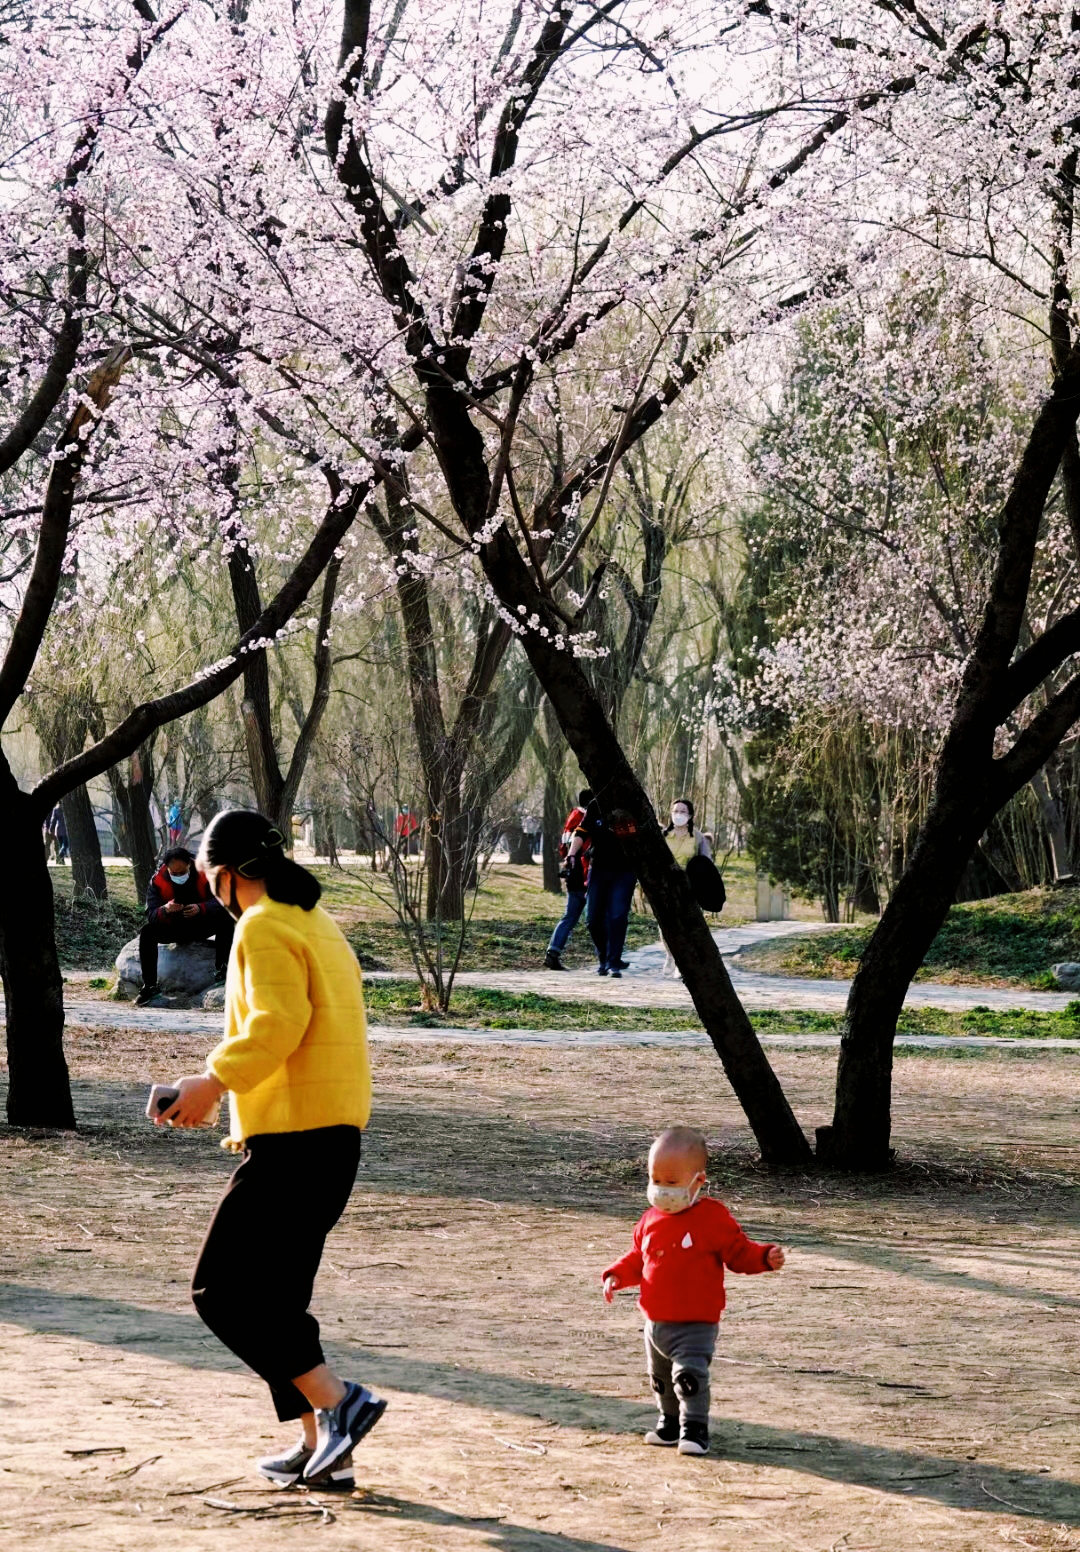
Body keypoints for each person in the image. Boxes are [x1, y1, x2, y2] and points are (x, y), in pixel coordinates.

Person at [154, 808, 384, 1491]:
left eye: (205, 877)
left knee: (219, 1290)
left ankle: (342, 1407)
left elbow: (278, 1023)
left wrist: (213, 1081)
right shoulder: (315, 923)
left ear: (223, 875)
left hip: (296, 1144)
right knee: (278, 1300)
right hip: (331, 1139)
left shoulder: (263, 925)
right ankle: (322, 1448)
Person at [601, 1126, 785, 1456]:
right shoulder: (649, 1220)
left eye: (671, 1183)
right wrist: (616, 1275)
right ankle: (669, 1422)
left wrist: (763, 1257)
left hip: (695, 1323)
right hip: (655, 1322)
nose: (661, 1190)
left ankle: (695, 1428)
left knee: (689, 1377)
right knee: (660, 1378)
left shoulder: (712, 1218)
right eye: (655, 1180)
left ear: (697, 1182)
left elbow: (738, 1252)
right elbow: (637, 1258)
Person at [137, 847, 235, 1006]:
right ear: (166, 868)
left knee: (227, 919)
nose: (178, 876)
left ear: (190, 864)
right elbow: (151, 914)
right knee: (147, 931)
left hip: (201, 925)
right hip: (174, 928)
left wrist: (201, 908)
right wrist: (165, 910)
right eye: (173, 874)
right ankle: (149, 985)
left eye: (181, 872)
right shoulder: (157, 881)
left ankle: (222, 969)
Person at [566, 796, 637, 978]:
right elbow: (581, 831)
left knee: (617, 915)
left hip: (624, 870)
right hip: (598, 868)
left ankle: (614, 961)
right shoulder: (596, 804)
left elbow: (640, 836)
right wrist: (572, 854)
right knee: (592, 919)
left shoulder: (633, 801)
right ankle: (603, 957)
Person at [661, 798, 712, 977]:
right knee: (665, 925)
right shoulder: (664, 835)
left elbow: (706, 862)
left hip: (689, 887)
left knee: (685, 925)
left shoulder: (697, 837)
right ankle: (670, 955)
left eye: (683, 812)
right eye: (676, 811)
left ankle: (681, 964)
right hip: (666, 886)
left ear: (690, 815)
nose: (679, 815)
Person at [544, 788, 594, 971]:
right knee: (597, 918)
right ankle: (605, 959)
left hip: (572, 873)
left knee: (570, 916)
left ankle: (553, 952)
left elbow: (563, 849)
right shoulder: (586, 819)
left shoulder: (571, 820)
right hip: (587, 873)